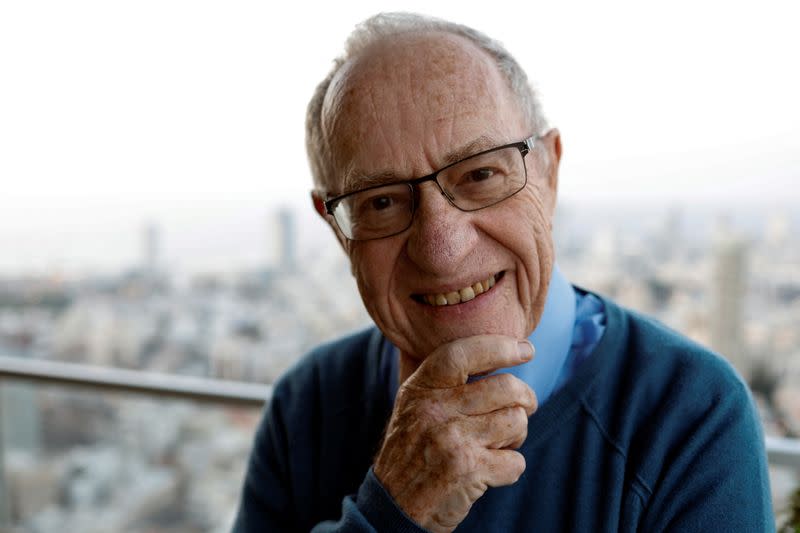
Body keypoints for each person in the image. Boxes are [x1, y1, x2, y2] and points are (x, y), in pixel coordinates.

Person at [233, 12, 774, 532]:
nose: (442, 248)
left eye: (481, 173)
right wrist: (392, 514)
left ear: (549, 171)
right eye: (381, 203)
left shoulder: (688, 414)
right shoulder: (307, 404)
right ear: (337, 228)